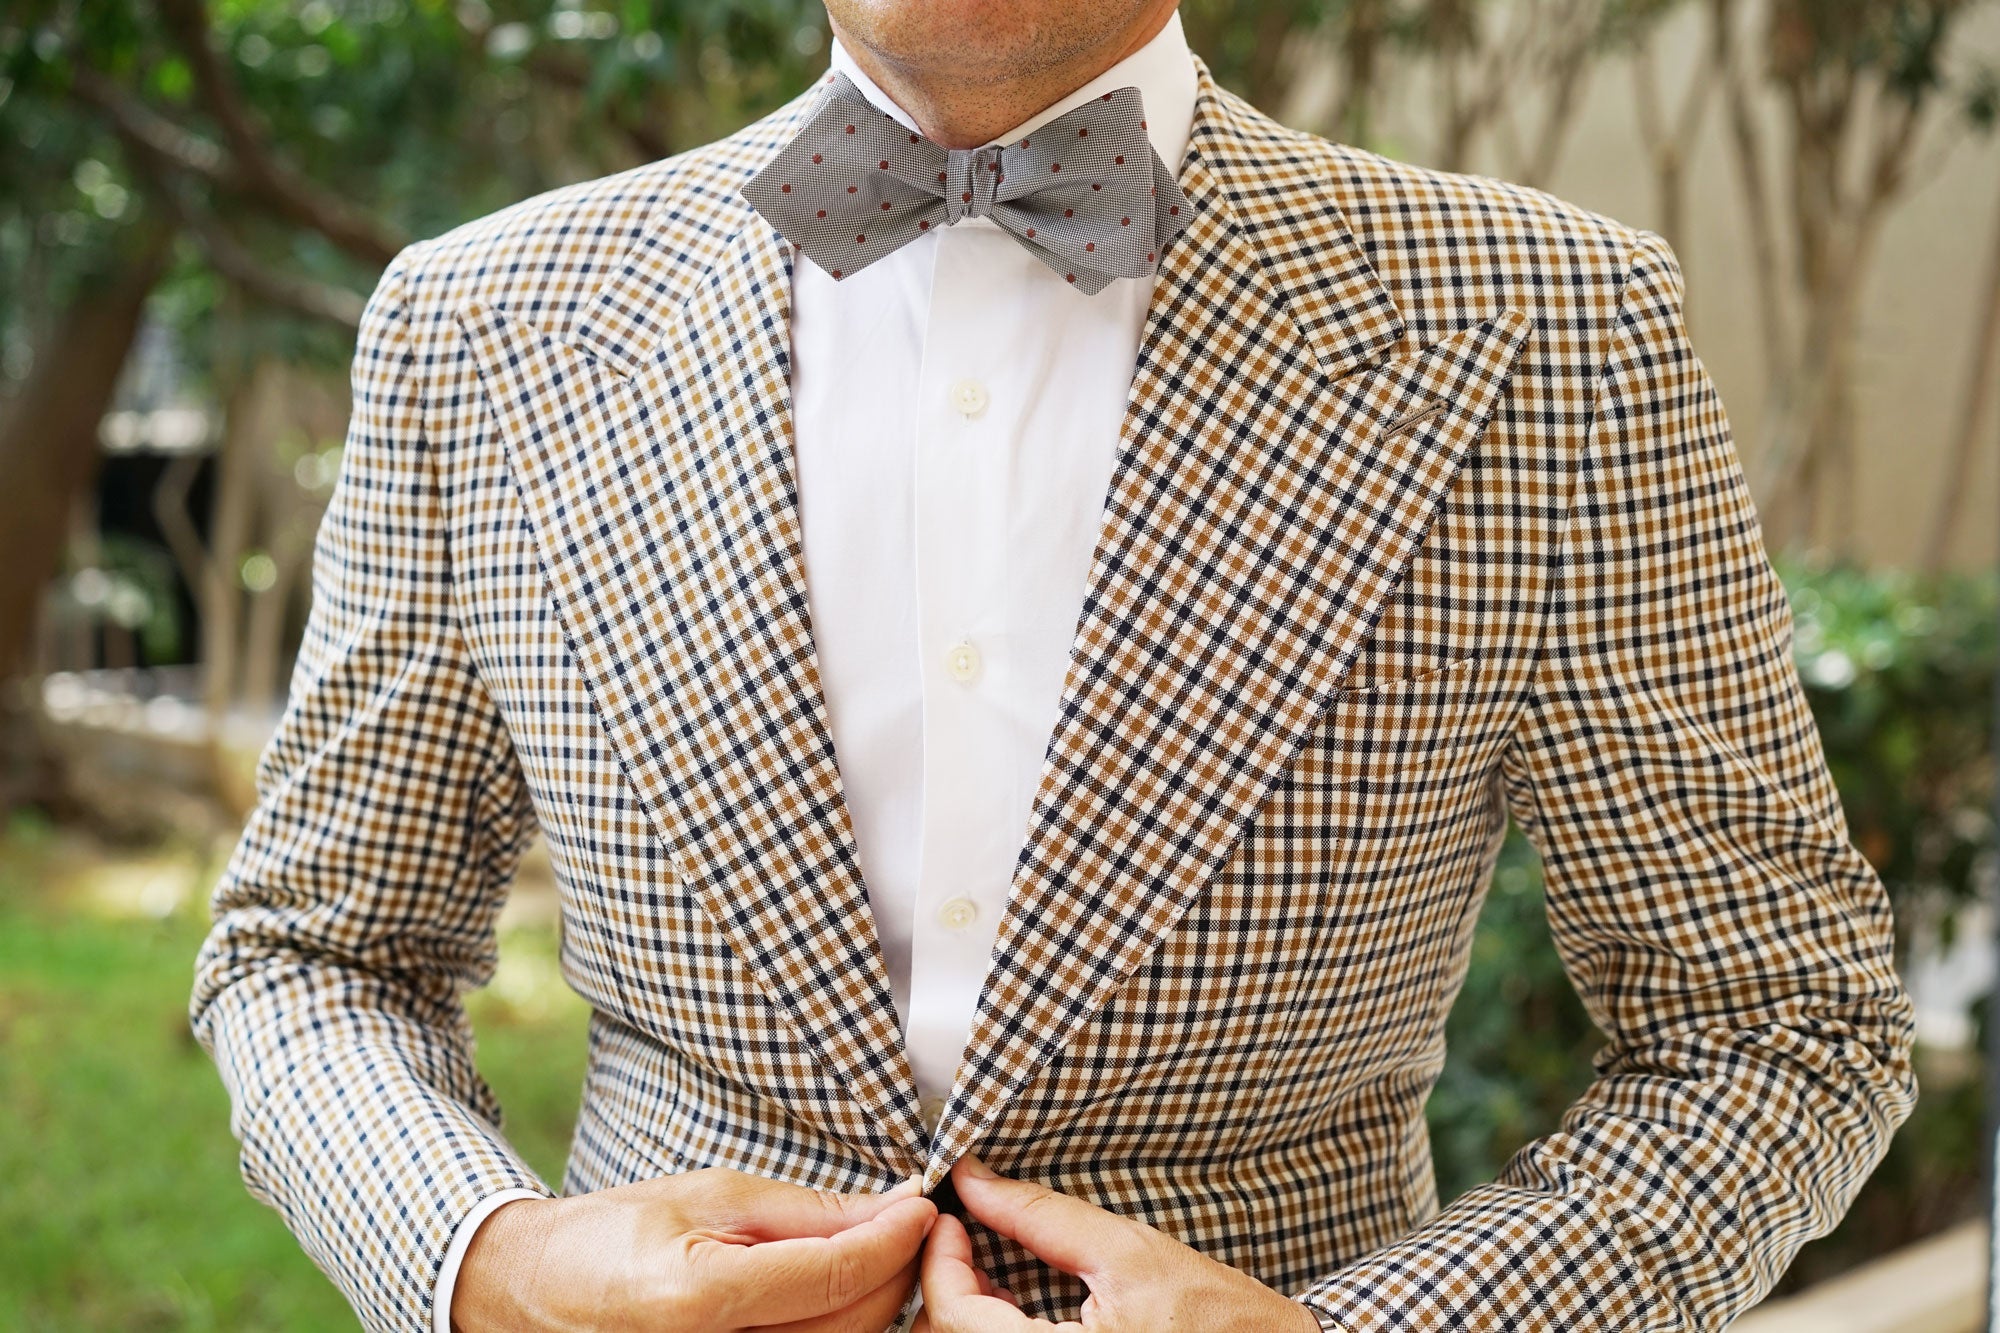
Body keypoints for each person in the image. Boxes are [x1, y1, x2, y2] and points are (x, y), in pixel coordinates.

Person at [189, 1, 1919, 1330]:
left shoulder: (1552, 326)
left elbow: (1774, 1025)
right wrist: (485, 1254)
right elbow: (312, 954)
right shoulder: (485, 324)